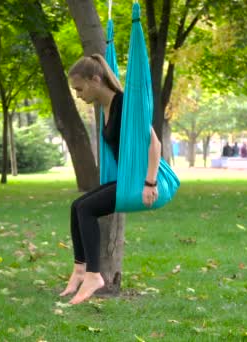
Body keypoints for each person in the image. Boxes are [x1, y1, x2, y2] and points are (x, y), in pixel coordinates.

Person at [62, 54, 162, 304]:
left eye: (79, 88)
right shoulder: (104, 107)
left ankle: (94, 275)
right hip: (125, 179)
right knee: (77, 206)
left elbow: (155, 144)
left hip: (138, 181)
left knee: (86, 208)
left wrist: (150, 183)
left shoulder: (126, 104)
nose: (78, 95)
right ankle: (80, 270)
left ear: (95, 80)